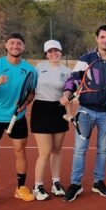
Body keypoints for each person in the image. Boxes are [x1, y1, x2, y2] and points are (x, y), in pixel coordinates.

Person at [60, 25, 106, 202]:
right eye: (102, 37)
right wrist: (65, 95)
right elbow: (73, 80)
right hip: (85, 111)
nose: (105, 40)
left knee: (103, 150)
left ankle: (98, 182)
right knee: (80, 149)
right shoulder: (85, 59)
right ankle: (75, 184)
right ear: (97, 39)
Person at [0, 32, 37, 202]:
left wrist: (26, 103)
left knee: (20, 151)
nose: (15, 46)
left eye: (19, 43)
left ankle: (21, 188)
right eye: (12, 43)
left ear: (23, 47)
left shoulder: (30, 69)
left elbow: (31, 92)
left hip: (17, 117)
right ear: (6, 46)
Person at [31, 40, 72, 200]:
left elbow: (68, 94)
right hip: (41, 109)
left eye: (56, 51)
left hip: (59, 111)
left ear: (61, 52)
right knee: (45, 152)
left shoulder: (67, 71)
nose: (53, 54)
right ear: (46, 54)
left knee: (57, 149)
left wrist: (69, 113)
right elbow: (30, 89)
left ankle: (56, 183)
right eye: (50, 51)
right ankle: (37, 186)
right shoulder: (39, 68)